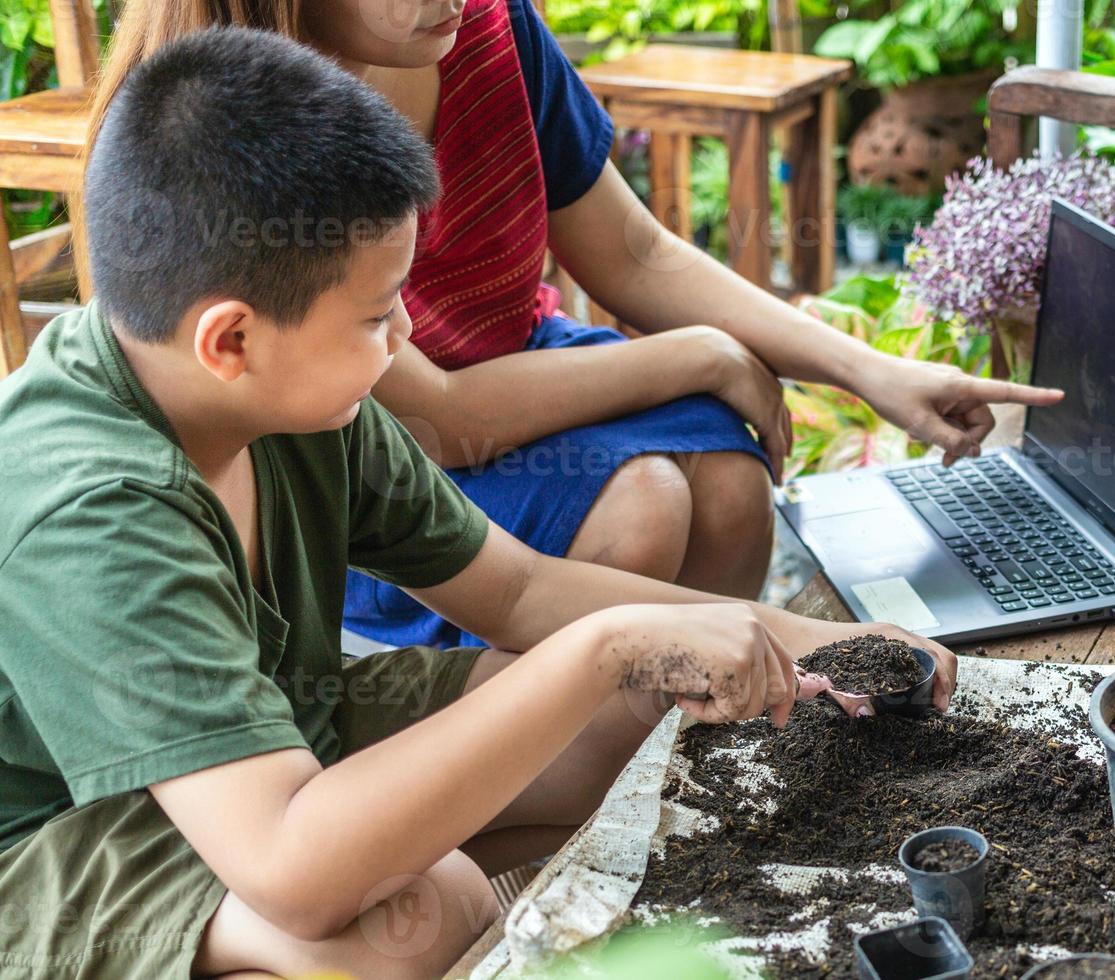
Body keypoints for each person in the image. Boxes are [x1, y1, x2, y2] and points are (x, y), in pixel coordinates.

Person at [0, 29, 955, 978]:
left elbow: (521, 590)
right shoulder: (95, 512)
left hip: (270, 741)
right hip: (57, 841)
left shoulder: (296, 398)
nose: (407, 332)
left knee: (645, 718)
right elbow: (293, 872)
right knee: (405, 924)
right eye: (378, 316)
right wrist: (611, 642)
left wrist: (819, 644)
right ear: (231, 340)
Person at [84, 0, 1062, 648]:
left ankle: (682, 749)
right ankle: (557, 758)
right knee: (643, 505)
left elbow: (633, 256)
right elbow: (435, 417)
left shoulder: (487, 30)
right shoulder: (233, 135)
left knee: (729, 482)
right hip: (366, 453)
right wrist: (705, 356)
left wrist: (870, 370)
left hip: (522, 368)